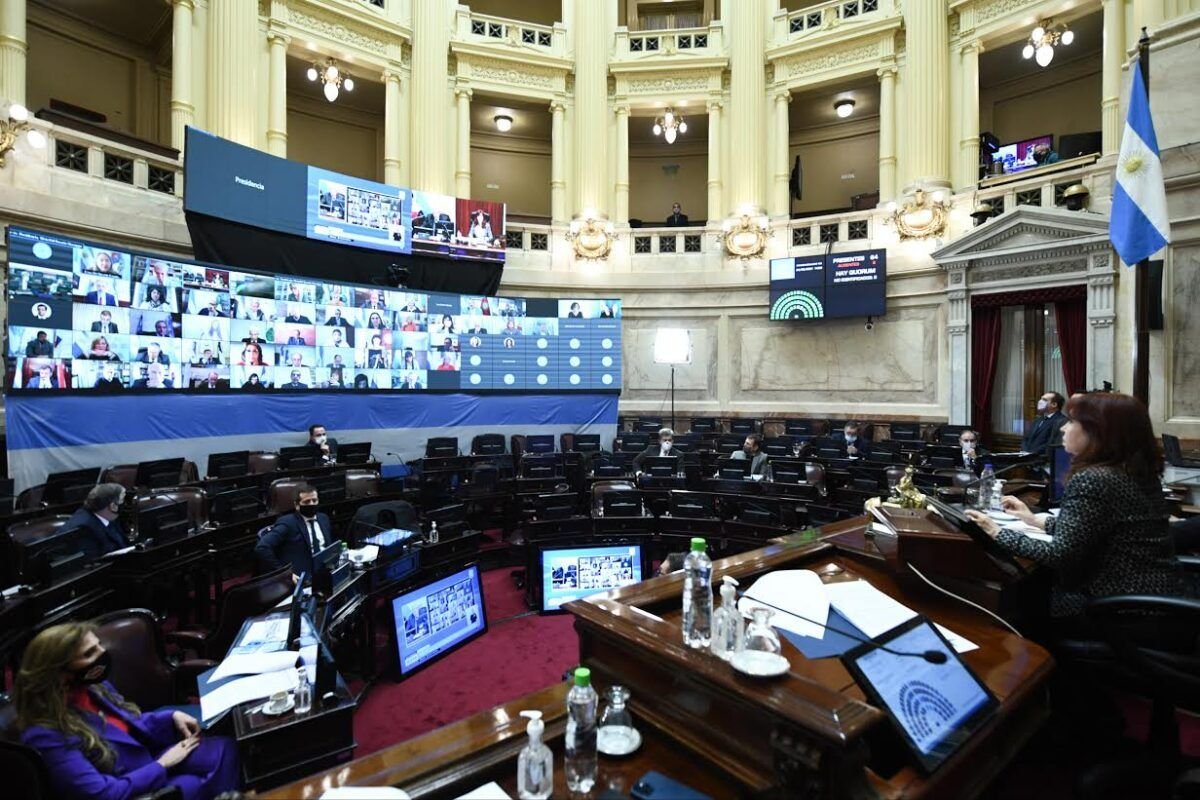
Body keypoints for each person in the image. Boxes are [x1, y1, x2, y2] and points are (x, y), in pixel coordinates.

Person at [967, 393, 1195, 630]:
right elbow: (1105, 531)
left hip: (1118, 609)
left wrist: (995, 532)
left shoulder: (1095, 478)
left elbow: (1061, 555)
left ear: (1097, 432)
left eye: (1072, 422)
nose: (1063, 428)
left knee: (1017, 600)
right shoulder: (1137, 472)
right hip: (1160, 596)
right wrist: (1036, 520)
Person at [15, 622, 241, 800]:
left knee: (225, 748)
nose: (102, 653)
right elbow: (101, 794)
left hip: (143, 761)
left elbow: (127, 725)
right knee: (194, 783)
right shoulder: (45, 733)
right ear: (58, 672)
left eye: (99, 645)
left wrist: (171, 717)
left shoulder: (93, 686)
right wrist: (162, 765)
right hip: (128, 785)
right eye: (89, 653)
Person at [255, 484, 336, 581]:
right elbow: (262, 547)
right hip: (303, 577)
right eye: (306, 502)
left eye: (314, 500)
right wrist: (284, 573)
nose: (311, 504)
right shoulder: (288, 523)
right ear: (297, 505)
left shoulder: (323, 518)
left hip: (326, 571)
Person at [63, 483, 129, 560]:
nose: (125, 503)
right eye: (122, 500)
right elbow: (92, 561)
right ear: (113, 506)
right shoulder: (85, 529)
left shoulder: (108, 517)